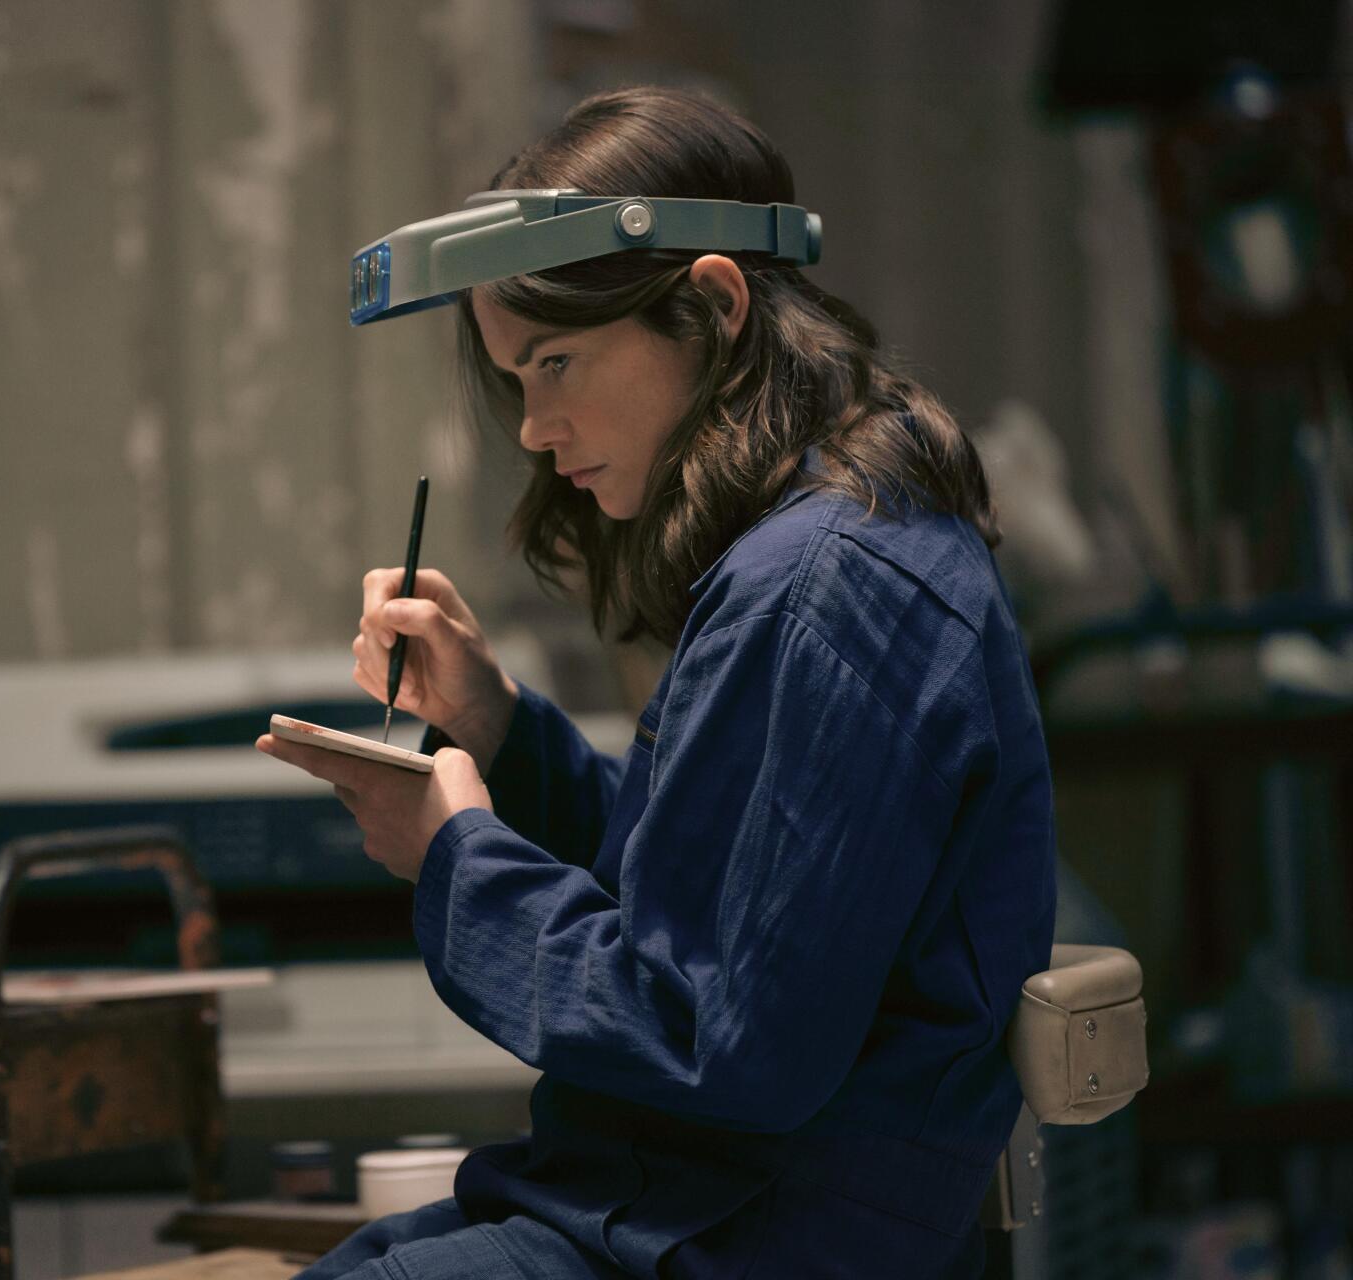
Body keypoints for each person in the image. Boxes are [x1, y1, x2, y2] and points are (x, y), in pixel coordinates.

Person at [255, 85, 1056, 1279]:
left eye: (558, 360)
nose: (534, 426)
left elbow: (715, 1037)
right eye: (515, 379)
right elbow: (710, 892)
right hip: (693, 1207)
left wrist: (457, 852)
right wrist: (497, 728)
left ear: (715, 305)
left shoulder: (819, 586)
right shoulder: (826, 549)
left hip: (736, 1235)